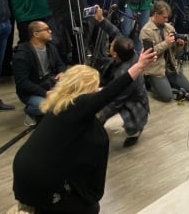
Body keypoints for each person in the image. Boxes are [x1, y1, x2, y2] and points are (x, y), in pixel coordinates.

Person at [12, 49, 156, 214]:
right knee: (91, 209)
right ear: (86, 89)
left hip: (24, 173)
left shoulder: (60, 104)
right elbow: (108, 93)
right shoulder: (78, 106)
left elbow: (103, 91)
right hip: (41, 181)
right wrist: (139, 66)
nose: (97, 90)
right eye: (94, 87)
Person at [92, 6, 149, 147]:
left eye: (111, 45)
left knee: (106, 127)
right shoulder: (129, 50)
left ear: (115, 54)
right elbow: (115, 32)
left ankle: (135, 131)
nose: (110, 43)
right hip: (123, 96)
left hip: (133, 107)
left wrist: (95, 123)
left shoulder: (124, 75)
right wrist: (100, 20)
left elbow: (114, 103)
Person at [12, 21, 66, 126]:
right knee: (51, 107)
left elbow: (61, 64)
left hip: (50, 84)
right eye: (46, 29)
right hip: (32, 91)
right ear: (36, 34)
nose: (50, 31)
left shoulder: (51, 47)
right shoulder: (22, 55)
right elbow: (22, 82)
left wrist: (62, 72)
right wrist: (45, 93)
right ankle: (30, 111)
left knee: (70, 101)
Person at [140, 1, 189, 102]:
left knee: (187, 88)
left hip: (170, 67)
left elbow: (174, 51)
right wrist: (166, 43)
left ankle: (165, 83)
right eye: (164, 17)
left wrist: (179, 45)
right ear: (155, 14)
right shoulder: (146, 31)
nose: (167, 20)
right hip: (155, 69)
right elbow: (150, 53)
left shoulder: (169, 28)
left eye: (167, 17)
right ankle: (149, 81)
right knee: (167, 97)